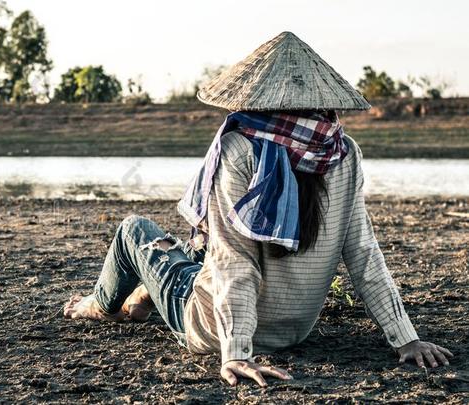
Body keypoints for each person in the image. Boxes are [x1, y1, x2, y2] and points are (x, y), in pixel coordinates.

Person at [63, 32, 453, 387]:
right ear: (325, 101)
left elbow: (236, 263)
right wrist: (407, 338)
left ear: (254, 98)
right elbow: (363, 254)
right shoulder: (344, 151)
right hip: (294, 330)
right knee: (203, 247)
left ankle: (100, 305)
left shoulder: (239, 146)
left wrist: (235, 353)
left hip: (213, 328)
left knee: (135, 231)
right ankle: (148, 292)